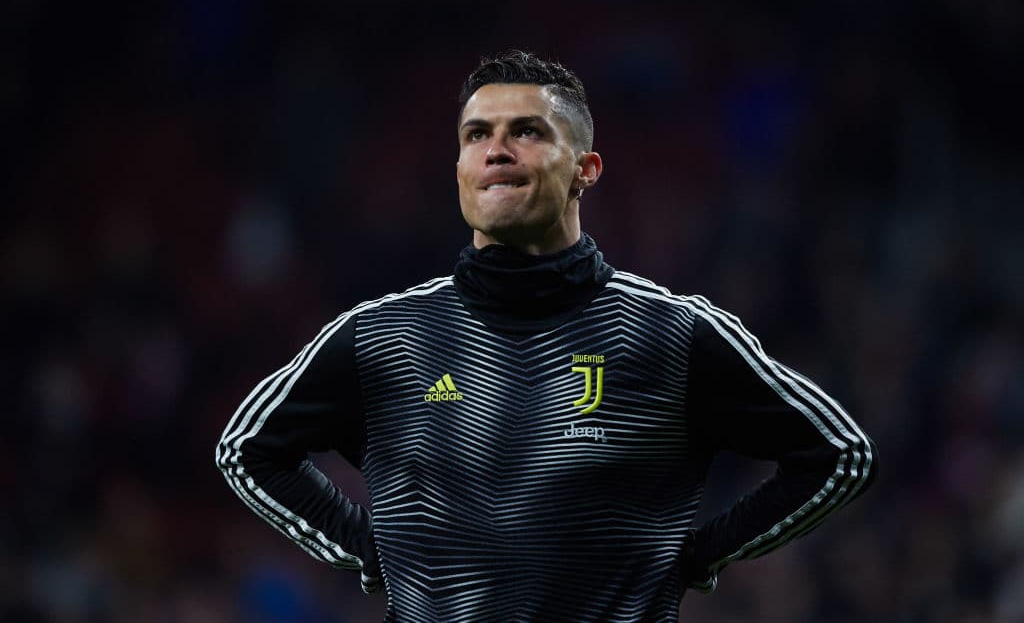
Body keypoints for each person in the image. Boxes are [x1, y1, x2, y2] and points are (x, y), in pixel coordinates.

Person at [216, 50, 877, 622]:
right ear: (459, 170)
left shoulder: (671, 331)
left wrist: (705, 555)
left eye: (526, 131)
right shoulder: (385, 335)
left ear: (587, 169)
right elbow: (247, 447)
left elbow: (838, 453)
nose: (495, 148)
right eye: (476, 134)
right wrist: (362, 546)